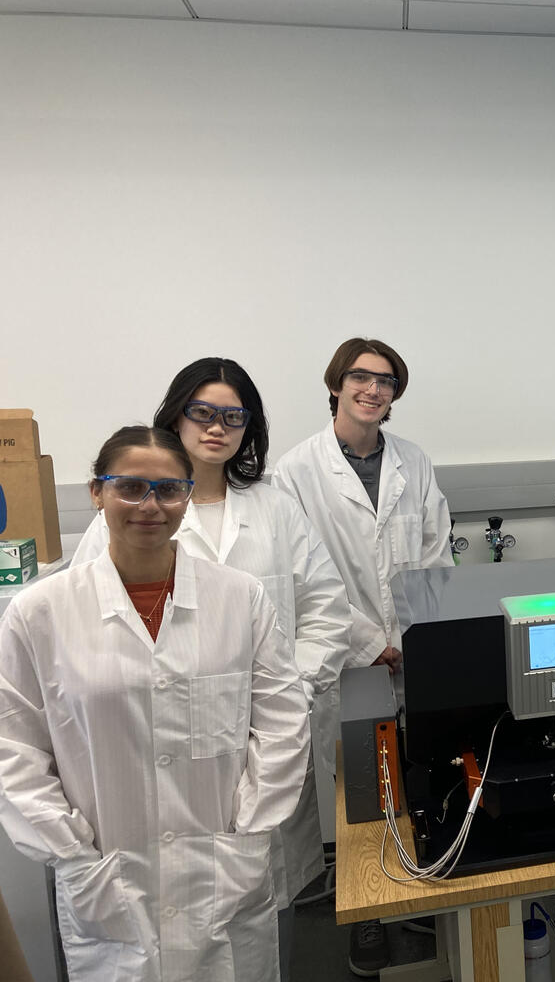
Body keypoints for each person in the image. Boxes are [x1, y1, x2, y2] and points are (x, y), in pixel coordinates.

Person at [71, 359, 352, 981]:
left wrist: (287, 692)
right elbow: (87, 627)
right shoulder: (129, 508)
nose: (217, 428)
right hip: (157, 745)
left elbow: (327, 609)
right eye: (202, 412)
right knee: (162, 918)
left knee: (264, 904)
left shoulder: (274, 507)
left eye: (233, 416)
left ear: (247, 427)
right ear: (176, 414)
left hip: (262, 740)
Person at [0, 426, 309, 982]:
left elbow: (284, 723)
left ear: (187, 497)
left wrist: (250, 829)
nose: (150, 505)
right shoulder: (39, 612)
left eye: (168, 490)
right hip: (106, 869)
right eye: (131, 487)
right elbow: (13, 746)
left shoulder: (239, 598)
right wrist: (69, 849)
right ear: (97, 492)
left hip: (222, 864)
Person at [273, 337, 453, 976]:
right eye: (360, 378)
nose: (372, 390)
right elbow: (301, 575)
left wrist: (417, 640)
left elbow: (436, 554)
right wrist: (368, 642)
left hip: (414, 653)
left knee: (422, 775)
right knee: (363, 793)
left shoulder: (414, 462)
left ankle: (426, 894)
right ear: (336, 385)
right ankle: (370, 919)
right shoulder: (295, 471)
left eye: (385, 381)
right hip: (346, 661)